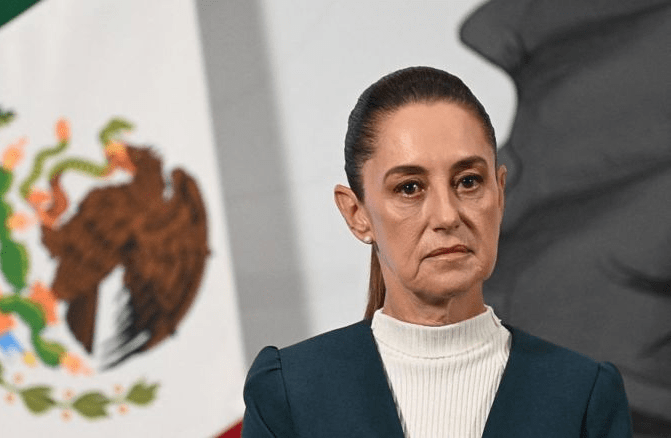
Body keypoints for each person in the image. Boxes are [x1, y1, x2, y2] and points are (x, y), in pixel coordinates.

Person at [241, 67, 632, 437]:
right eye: (409, 188)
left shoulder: (582, 396)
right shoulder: (290, 393)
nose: (447, 215)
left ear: (499, 193)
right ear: (357, 214)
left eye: (468, 181)